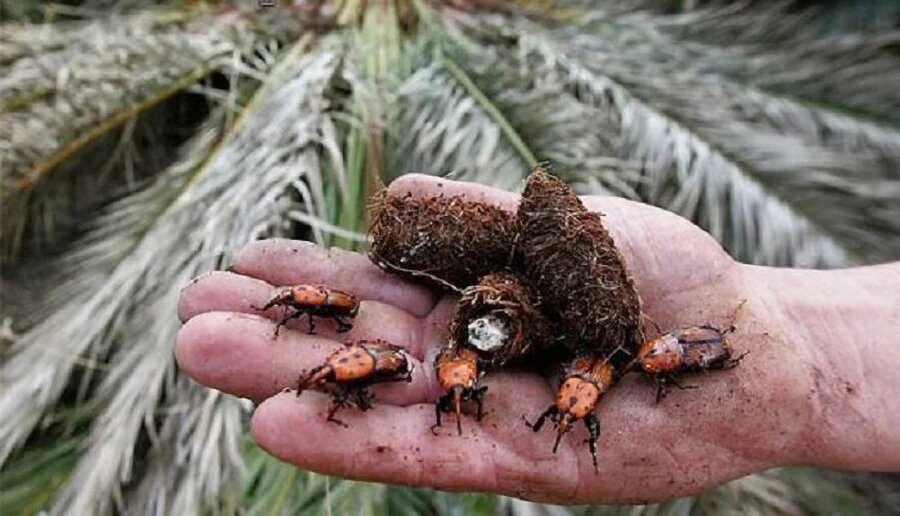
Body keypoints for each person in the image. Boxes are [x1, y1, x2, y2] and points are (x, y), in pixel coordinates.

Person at [174, 174, 900, 504]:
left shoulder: (608, 357)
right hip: (494, 329)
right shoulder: (497, 363)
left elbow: (595, 370)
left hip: (537, 335)